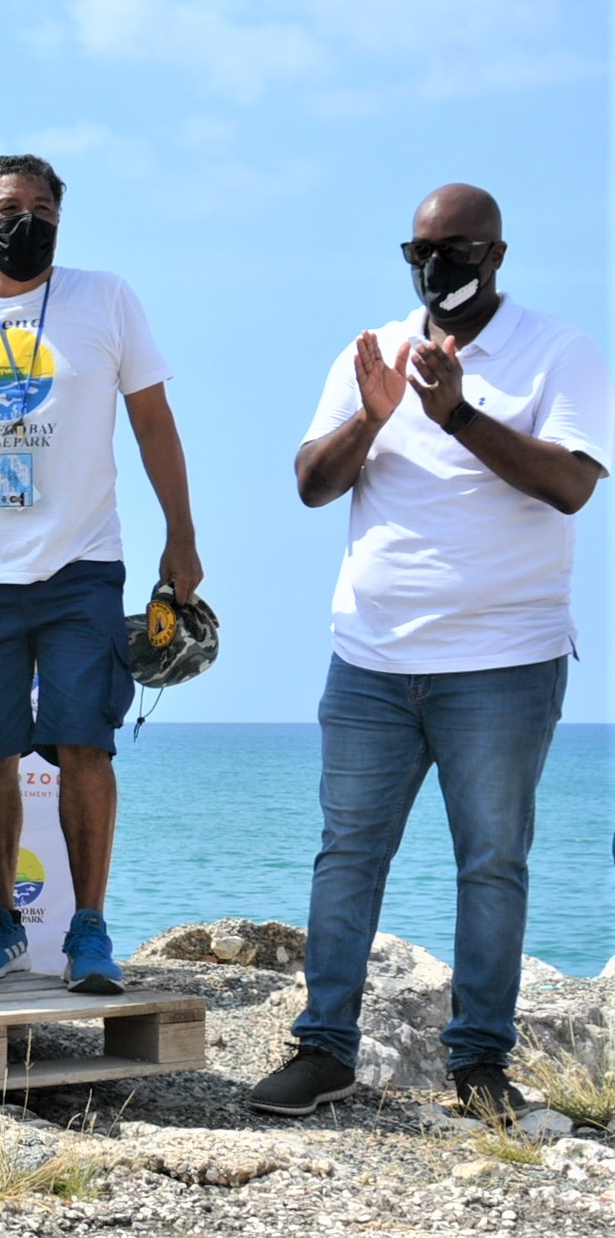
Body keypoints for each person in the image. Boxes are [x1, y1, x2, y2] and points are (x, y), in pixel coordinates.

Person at [250, 184, 610, 1119]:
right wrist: (374, 416)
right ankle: (323, 1048)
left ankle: (479, 1063)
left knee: (491, 860)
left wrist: (456, 415)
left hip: (503, 662)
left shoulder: (559, 351)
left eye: (452, 250)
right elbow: (310, 485)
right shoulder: (371, 352)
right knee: (348, 852)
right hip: (370, 659)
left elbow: (572, 485)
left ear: (496, 254)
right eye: (418, 251)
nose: (432, 267)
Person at [0, 153, 201, 995]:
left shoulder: (105, 299)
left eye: (41, 208)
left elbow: (152, 421)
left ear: (61, 222)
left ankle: (89, 930)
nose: (24, 221)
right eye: (7, 208)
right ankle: (1, 922)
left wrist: (182, 535)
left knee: (84, 745)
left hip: (82, 568)